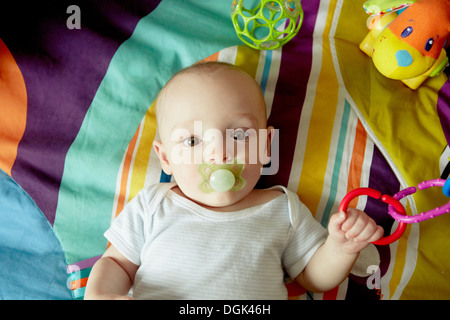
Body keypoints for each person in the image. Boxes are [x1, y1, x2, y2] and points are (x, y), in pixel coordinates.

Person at [84, 62, 383, 300]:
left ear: (266, 147)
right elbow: (116, 263)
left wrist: (341, 248)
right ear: (166, 159)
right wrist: (101, 294)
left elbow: (314, 278)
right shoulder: (154, 204)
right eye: (192, 140)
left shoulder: (282, 209)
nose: (218, 153)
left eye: (239, 135)